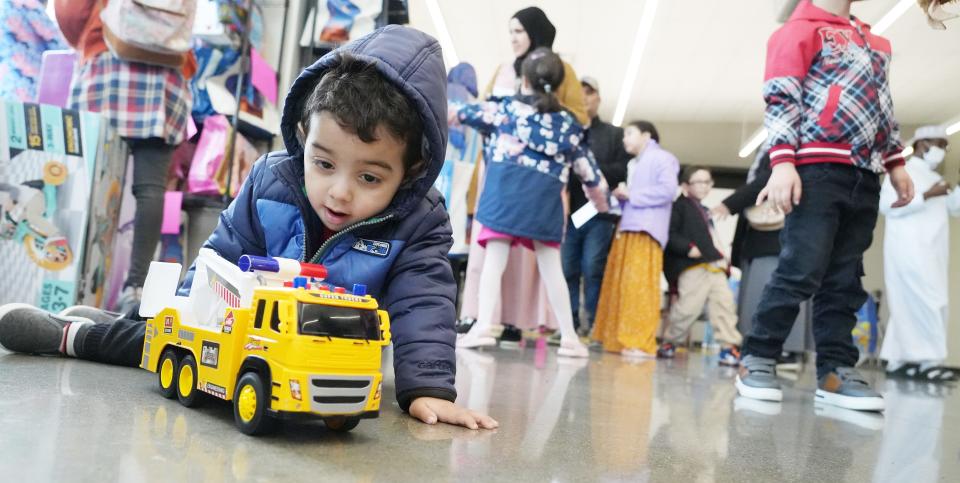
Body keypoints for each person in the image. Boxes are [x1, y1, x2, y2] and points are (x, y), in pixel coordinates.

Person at [0, 26, 498, 430]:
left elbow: (423, 302)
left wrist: (428, 386)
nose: (340, 193)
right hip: (231, 330)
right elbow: (219, 257)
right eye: (324, 164)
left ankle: (115, 323)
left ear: (410, 170)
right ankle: (71, 336)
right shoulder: (271, 181)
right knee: (150, 346)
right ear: (304, 136)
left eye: (369, 176)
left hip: (315, 354)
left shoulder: (420, 220)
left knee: (148, 332)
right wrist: (178, 320)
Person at [736, 0, 915, 412]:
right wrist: (782, 163)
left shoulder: (874, 42)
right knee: (801, 268)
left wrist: (896, 161)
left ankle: (835, 369)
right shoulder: (798, 31)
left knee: (845, 278)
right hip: (817, 166)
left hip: (865, 173)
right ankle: (759, 356)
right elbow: (782, 98)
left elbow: (883, 107)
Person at [452, 48, 609, 358]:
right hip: (544, 206)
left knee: (492, 265)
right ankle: (569, 338)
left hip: (503, 199)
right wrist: (600, 204)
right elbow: (592, 176)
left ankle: (483, 326)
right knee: (552, 271)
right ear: (561, 84)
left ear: (523, 80)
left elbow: (457, 112)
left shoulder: (503, 111)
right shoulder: (570, 126)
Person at [53, 0, 196, 312]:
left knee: (87, 178)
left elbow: (71, 11)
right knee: (151, 188)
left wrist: (84, 38)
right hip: (166, 68)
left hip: (107, 63)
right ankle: (135, 287)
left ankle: (67, 277)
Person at [713, 152, 812, 370]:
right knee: (764, 294)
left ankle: (779, 349)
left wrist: (729, 204)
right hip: (766, 240)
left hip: (773, 240)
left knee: (770, 293)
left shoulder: (782, 149)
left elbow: (768, 178)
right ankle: (770, 349)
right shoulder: (772, 149)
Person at [879, 125, 960, 382]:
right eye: (940, 144)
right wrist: (926, 195)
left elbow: (954, 209)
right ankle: (930, 361)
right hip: (908, 250)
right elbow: (886, 206)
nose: (942, 151)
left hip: (932, 252)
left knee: (910, 304)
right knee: (928, 301)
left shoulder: (934, 177)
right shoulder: (903, 172)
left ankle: (898, 359)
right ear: (923, 144)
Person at [592, 120, 678, 359]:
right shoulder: (633, 164)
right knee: (621, 286)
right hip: (627, 227)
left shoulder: (663, 158)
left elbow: (669, 190)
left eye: (629, 133)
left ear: (646, 135)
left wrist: (632, 194)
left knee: (640, 288)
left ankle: (639, 341)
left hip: (646, 230)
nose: (624, 139)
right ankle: (619, 339)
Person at [561, 77, 631, 337]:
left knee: (593, 269)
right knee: (567, 270)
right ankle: (568, 325)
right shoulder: (568, 131)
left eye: (589, 93)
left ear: (598, 98)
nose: (584, 97)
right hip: (569, 213)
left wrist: (588, 168)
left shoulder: (614, 134)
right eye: (580, 93)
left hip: (599, 215)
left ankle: (594, 325)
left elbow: (622, 169)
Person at [659, 166, 742, 366]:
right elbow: (669, 233)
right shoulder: (678, 207)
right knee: (688, 308)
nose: (705, 186)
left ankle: (728, 347)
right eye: (699, 182)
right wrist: (688, 248)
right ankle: (670, 341)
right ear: (686, 185)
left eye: (708, 182)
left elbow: (712, 237)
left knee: (724, 304)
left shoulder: (704, 210)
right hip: (693, 265)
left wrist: (723, 258)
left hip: (713, 264)